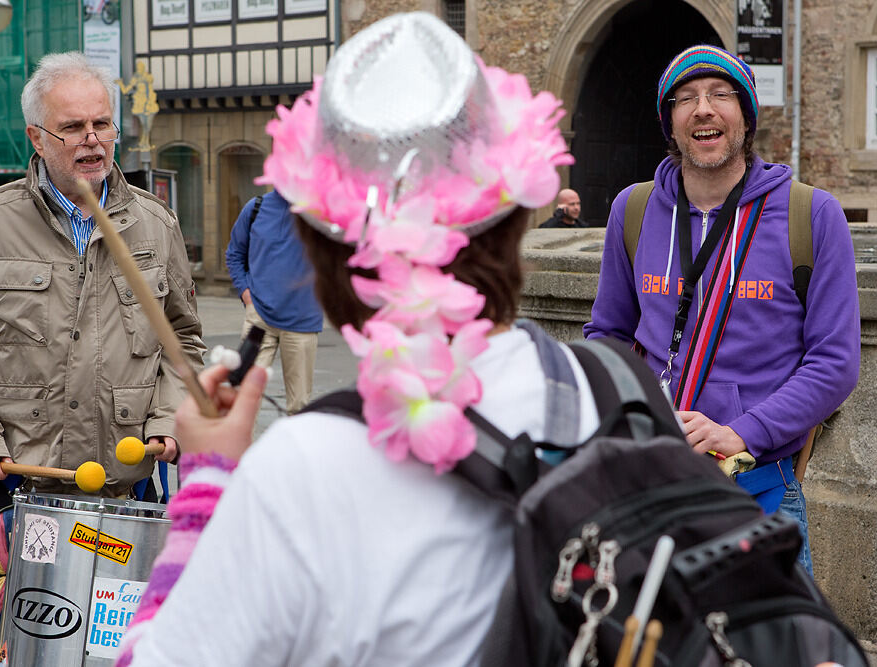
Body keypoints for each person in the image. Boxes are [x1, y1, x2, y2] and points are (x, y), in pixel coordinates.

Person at [114, 12, 582, 665]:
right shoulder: (612, 389)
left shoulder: (299, 472)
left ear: (323, 250)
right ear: (514, 217)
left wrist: (206, 485)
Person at [584, 44, 860, 576]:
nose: (703, 108)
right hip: (651, 483)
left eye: (720, 94)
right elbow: (608, 335)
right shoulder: (633, 210)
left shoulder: (813, 215)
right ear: (670, 121)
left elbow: (834, 362)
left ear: (746, 115)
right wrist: (631, 413)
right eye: (685, 98)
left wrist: (742, 432)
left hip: (757, 491)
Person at [0, 52, 204, 520]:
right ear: (37, 138)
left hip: (128, 497)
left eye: (102, 124)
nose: (92, 141)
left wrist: (170, 419)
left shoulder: (156, 224)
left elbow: (183, 341)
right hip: (20, 493)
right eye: (72, 127)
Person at [226, 189, 323, 414]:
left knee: (300, 406)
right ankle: (243, 449)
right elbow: (234, 253)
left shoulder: (320, 213)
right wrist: (246, 294)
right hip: (258, 317)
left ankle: (295, 450)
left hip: (302, 320)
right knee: (245, 395)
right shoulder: (256, 207)